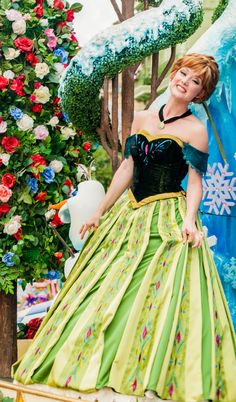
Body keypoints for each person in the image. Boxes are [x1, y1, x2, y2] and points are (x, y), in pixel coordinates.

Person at [13, 53, 236, 402]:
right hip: (129, 214)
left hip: (167, 217)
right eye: (184, 73)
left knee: (157, 292)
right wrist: (101, 210)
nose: (185, 82)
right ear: (175, 73)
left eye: (195, 82)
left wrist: (191, 221)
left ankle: (141, 373)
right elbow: (127, 167)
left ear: (199, 94)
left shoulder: (195, 130)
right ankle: (95, 363)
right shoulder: (143, 118)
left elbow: (195, 181)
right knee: (108, 285)